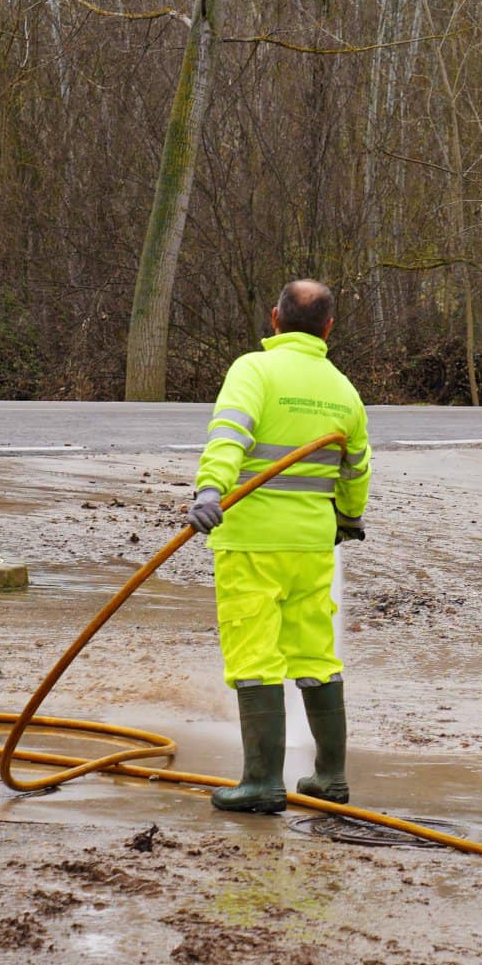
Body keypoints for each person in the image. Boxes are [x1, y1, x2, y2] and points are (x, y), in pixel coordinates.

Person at [184, 279, 371, 814]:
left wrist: (210, 491)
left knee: (254, 654)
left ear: (275, 319)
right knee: (315, 651)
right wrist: (349, 518)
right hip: (313, 546)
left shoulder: (253, 370)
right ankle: (329, 778)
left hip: (250, 542)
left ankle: (262, 783)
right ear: (328, 328)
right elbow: (357, 465)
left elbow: (229, 435)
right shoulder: (343, 388)